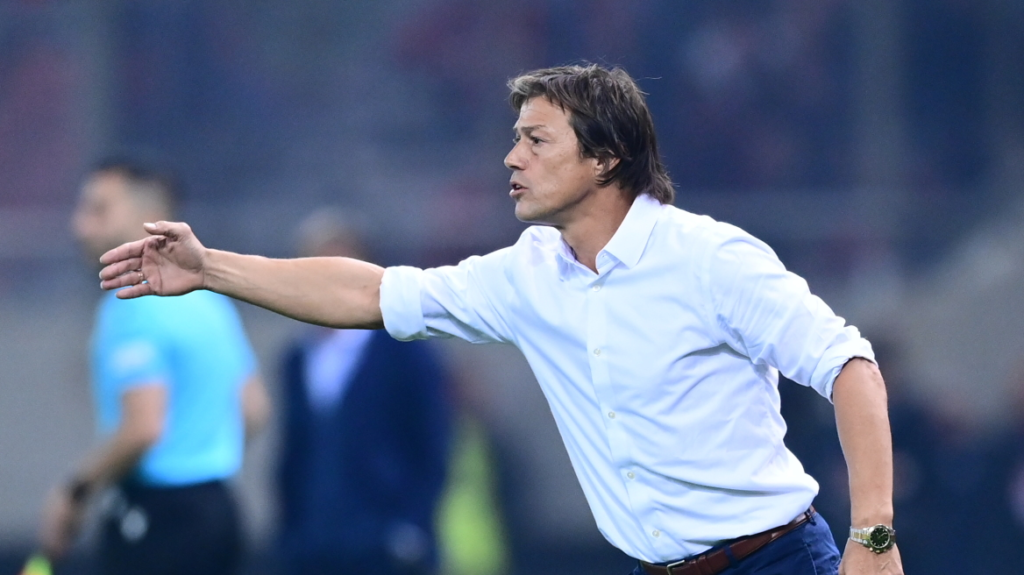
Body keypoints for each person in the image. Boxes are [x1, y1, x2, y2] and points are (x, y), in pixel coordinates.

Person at [97, 65, 904, 575]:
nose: (511, 158)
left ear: (605, 158)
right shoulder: (528, 273)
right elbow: (370, 293)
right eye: (515, 139)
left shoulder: (711, 258)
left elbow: (850, 366)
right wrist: (211, 269)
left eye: (536, 140)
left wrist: (873, 534)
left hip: (775, 560)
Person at [40, 159, 270, 575]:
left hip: (158, 521)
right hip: (219, 512)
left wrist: (75, 491)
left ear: (148, 218)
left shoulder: (131, 303)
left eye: (98, 210)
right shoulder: (212, 300)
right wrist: (198, 453)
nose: (80, 226)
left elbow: (143, 427)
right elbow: (254, 409)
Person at [275, 209, 453, 575]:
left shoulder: (404, 348)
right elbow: (294, 449)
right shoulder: (297, 357)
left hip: (384, 545)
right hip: (315, 544)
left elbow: (433, 439)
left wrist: (411, 525)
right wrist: (291, 530)